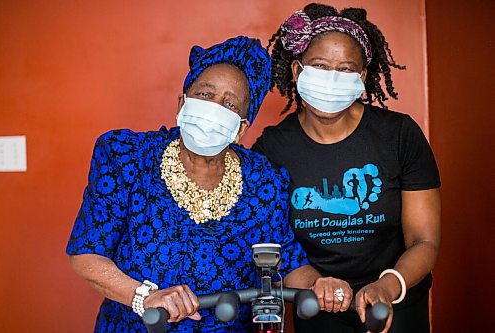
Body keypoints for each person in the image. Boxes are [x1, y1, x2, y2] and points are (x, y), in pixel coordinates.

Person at [66, 36, 309, 332]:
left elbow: (288, 260)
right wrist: (145, 297)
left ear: (241, 129)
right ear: (182, 103)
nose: (215, 107)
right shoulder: (126, 155)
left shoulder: (264, 179)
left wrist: (323, 286)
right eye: (205, 94)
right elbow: (86, 254)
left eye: (230, 104)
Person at [253, 4, 441, 333]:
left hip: (395, 304)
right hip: (317, 304)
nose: (332, 78)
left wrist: (388, 286)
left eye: (346, 69)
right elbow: (269, 240)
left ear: (362, 77)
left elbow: (424, 240)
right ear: (298, 72)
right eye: (321, 66)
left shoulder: (399, 136)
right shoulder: (272, 149)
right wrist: (313, 283)